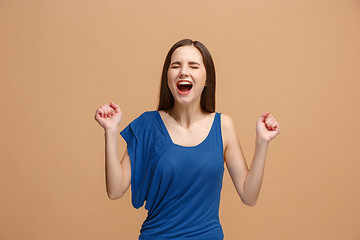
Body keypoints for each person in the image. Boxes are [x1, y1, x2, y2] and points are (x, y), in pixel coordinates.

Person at [94, 39, 280, 240]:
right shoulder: (148, 124)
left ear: (206, 78)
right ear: (168, 77)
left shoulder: (223, 126)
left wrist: (262, 142)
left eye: (193, 66)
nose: (183, 71)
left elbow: (249, 196)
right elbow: (115, 190)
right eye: (176, 66)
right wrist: (111, 132)